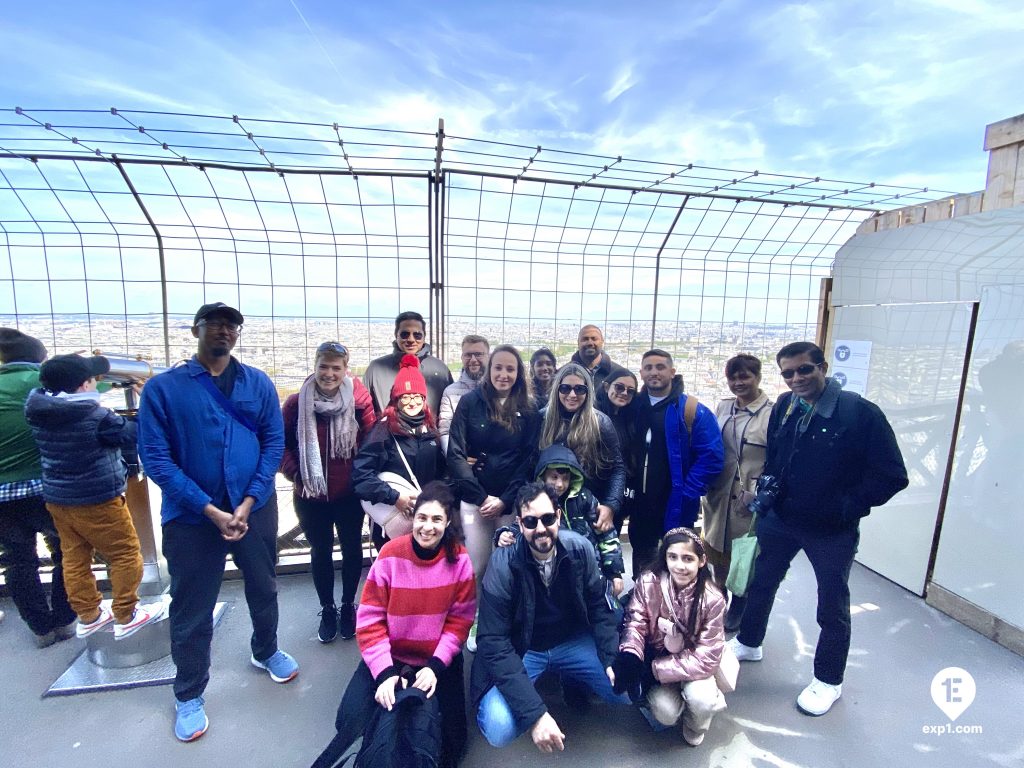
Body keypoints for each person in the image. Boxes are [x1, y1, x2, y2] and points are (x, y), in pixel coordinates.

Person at [137, 302, 295, 743]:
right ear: (196, 330)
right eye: (216, 324)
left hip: (254, 509)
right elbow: (156, 459)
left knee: (263, 586)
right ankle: (188, 692)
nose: (224, 331)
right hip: (191, 518)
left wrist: (247, 501)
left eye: (232, 325)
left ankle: (266, 649)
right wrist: (209, 508)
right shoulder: (164, 389)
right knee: (191, 606)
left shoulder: (257, 383)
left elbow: (272, 442)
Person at [727, 342, 908, 717]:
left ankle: (828, 680)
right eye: (789, 373)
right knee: (761, 582)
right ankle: (749, 640)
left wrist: (847, 506)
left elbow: (892, 475)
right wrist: (768, 491)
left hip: (830, 528)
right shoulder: (786, 406)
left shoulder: (859, 413)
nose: (797, 379)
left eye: (804, 370)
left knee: (831, 602)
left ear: (823, 367)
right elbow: (777, 454)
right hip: (782, 517)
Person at [311, 481, 475, 768]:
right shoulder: (390, 555)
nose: (428, 527)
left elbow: (459, 622)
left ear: (448, 522)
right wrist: (385, 672)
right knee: (348, 719)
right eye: (422, 518)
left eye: (437, 519)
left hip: (437, 660)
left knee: (454, 742)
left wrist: (435, 667)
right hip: (393, 655)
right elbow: (370, 619)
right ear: (413, 518)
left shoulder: (460, 560)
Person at [471, 482, 627, 752]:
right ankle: (536, 697)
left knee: (626, 689)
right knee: (500, 728)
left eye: (547, 518)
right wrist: (536, 715)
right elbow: (493, 641)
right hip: (524, 648)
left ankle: (572, 677)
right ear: (519, 525)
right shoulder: (503, 564)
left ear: (558, 516)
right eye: (531, 521)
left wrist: (611, 656)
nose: (540, 528)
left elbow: (600, 607)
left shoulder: (580, 549)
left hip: (571, 641)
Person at [25, 354, 163, 641]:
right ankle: (127, 614)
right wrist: (148, 403)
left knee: (75, 557)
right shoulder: (95, 417)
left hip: (59, 498)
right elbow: (132, 435)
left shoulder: (39, 409)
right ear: (85, 384)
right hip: (97, 499)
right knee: (125, 553)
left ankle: (89, 615)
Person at [281, 341, 376, 644]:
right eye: (324, 366)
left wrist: (360, 476)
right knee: (319, 550)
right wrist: (296, 473)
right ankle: (327, 608)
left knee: (351, 549)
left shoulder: (359, 404)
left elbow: (372, 442)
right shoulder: (296, 404)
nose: (329, 373)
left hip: (348, 492)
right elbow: (280, 444)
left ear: (346, 370)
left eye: (337, 367)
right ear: (315, 366)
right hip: (310, 493)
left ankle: (349, 606)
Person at [613, 528, 727, 747]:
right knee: (665, 713)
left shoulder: (713, 599)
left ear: (701, 561)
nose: (679, 566)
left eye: (688, 559)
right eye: (672, 557)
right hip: (661, 658)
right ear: (664, 557)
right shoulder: (648, 582)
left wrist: (655, 669)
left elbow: (707, 657)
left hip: (694, 666)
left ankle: (696, 720)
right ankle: (682, 703)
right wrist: (631, 656)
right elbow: (635, 623)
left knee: (701, 700)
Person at [0, 330, 77, 647]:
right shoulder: (45, 382)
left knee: (17, 559)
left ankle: (40, 628)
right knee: (67, 550)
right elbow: (88, 390)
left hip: (1, 497)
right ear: (39, 357)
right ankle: (64, 618)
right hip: (46, 487)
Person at [446, 345, 541, 594]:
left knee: (508, 563)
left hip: (509, 501)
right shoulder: (470, 402)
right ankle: (477, 620)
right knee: (478, 565)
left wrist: (505, 500)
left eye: (510, 369)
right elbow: (455, 453)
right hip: (475, 497)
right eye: (498, 368)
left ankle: (504, 617)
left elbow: (528, 459)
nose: (504, 374)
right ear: (489, 370)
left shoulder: (529, 409)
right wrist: (481, 497)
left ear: (519, 374)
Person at [629, 350, 723, 578]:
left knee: (678, 560)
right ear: (641, 373)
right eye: (648, 367)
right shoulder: (633, 406)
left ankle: (677, 608)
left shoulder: (691, 410)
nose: (654, 372)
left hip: (676, 502)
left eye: (660, 367)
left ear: (672, 372)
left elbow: (712, 456)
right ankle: (644, 603)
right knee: (643, 559)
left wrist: (686, 491)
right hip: (639, 503)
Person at [496, 445, 625, 600]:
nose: (560, 484)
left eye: (565, 478)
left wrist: (614, 572)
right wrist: (503, 534)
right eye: (554, 477)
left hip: (592, 572)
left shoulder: (585, 499)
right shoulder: (534, 501)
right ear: (543, 476)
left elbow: (606, 534)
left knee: (609, 614)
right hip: (557, 578)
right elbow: (521, 526)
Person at [701, 354, 772, 632]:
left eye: (745, 376)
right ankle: (720, 598)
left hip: (748, 497)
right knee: (716, 549)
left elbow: (777, 460)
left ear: (758, 377)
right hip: (718, 492)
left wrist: (756, 490)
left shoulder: (771, 413)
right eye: (733, 377)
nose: (738, 382)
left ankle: (740, 604)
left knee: (743, 554)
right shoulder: (723, 407)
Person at [353, 354, 446, 545]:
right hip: (395, 523)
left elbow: (443, 473)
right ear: (396, 399)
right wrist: (394, 497)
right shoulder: (383, 431)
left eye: (417, 397)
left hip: (426, 521)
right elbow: (360, 477)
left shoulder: (430, 430)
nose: (412, 402)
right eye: (406, 397)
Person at [539, 363, 625, 533]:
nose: (572, 395)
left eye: (579, 389)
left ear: (588, 392)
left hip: (589, 509)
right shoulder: (541, 419)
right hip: (547, 507)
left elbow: (617, 468)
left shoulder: (601, 423)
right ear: (557, 390)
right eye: (565, 388)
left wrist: (610, 505)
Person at [363, 311, 453, 418]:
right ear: (396, 335)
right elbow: (365, 410)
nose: (411, 339)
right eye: (405, 334)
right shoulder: (376, 369)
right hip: (387, 433)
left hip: (431, 433)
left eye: (417, 335)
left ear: (424, 337)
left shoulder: (440, 369)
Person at [596, 368, 641, 535]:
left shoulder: (629, 419)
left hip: (619, 496)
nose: (624, 393)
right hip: (597, 494)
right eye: (619, 387)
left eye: (630, 391)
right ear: (606, 387)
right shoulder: (594, 416)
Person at [438, 335, 489, 453]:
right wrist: (456, 459)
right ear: (462, 357)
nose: (473, 359)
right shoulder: (450, 392)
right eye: (468, 355)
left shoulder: (498, 389)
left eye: (478, 354)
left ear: (488, 357)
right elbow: (445, 431)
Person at [570, 325, 626, 394]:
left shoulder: (619, 374)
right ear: (578, 343)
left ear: (602, 342)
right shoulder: (564, 373)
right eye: (585, 339)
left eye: (594, 339)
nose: (590, 343)